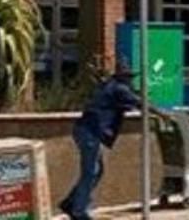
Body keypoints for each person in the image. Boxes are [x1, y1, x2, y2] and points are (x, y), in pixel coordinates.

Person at [60, 62, 144, 220]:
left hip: (86, 130)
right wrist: (163, 114)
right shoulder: (120, 89)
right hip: (90, 132)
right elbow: (141, 104)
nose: (130, 81)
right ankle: (78, 211)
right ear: (123, 78)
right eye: (129, 77)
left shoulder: (109, 86)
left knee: (97, 171)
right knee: (91, 172)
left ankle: (71, 202)